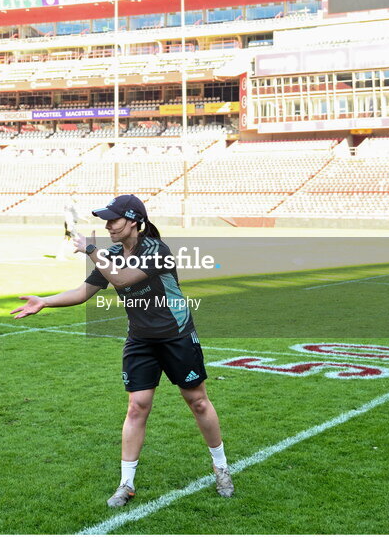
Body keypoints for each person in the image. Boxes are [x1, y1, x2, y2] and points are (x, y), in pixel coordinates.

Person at [12, 194, 233, 506]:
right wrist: (44, 302)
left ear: (134, 221)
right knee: (137, 406)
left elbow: (124, 278)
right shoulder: (113, 252)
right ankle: (126, 484)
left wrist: (90, 249)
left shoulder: (157, 249)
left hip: (176, 335)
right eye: (106, 220)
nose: (108, 226)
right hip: (141, 339)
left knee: (197, 401)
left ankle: (221, 466)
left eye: (113, 220)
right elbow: (83, 292)